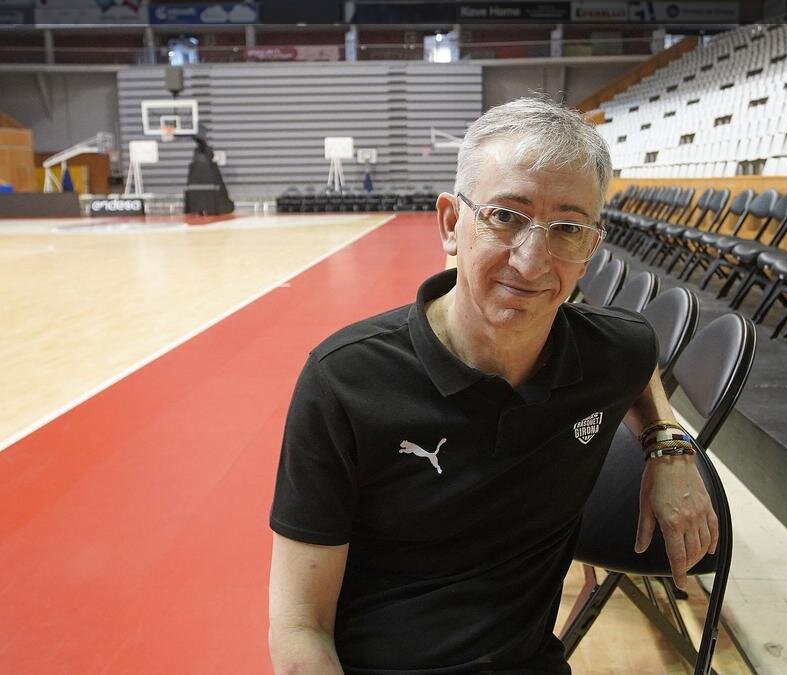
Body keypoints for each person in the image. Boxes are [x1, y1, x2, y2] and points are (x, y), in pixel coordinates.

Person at [268, 97, 718, 674]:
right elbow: (299, 627)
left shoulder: (609, 351)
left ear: (590, 247)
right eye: (506, 217)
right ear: (451, 224)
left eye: (568, 228)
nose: (532, 262)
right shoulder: (345, 381)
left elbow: (640, 358)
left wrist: (668, 445)